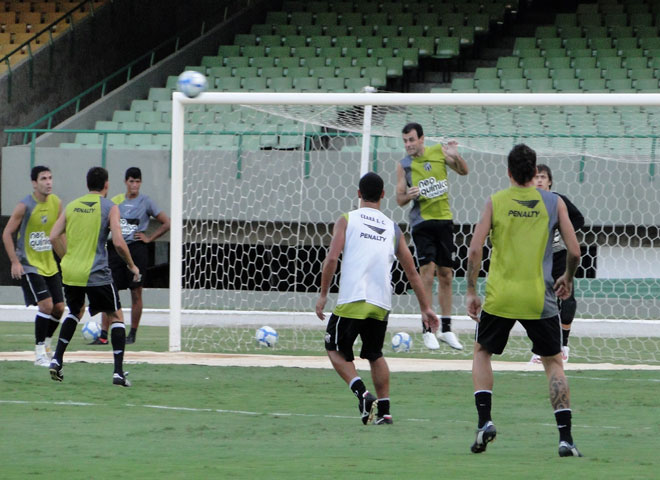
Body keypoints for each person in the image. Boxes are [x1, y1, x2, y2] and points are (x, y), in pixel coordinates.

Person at [465, 144, 583, 457]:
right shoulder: (554, 202)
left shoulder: (496, 201)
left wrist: (471, 290)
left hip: (500, 296)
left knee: (482, 351)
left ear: (508, 173)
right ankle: (565, 440)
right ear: (534, 174)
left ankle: (485, 421)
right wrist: (567, 278)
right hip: (538, 297)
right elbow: (574, 251)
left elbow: (475, 250)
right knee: (554, 363)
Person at [316, 172, 438, 425]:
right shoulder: (392, 227)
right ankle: (385, 412)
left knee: (333, 348)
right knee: (374, 353)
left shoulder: (347, 219)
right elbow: (412, 271)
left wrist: (323, 294)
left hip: (353, 299)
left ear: (359, 194)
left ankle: (362, 394)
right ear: (383, 195)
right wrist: (426, 308)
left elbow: (331, 258)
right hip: (382, 303)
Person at [48, 167, 140, 387]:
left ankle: (56, 359)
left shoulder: (72, 206)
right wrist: (132, 265)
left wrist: (67, 258)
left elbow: (53, 236)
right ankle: (118, 373)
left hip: (71, 271)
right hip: (96, 271)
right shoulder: (110, 207)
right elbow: (118, 242)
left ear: (87, 184)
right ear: (106, 185)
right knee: (116, 316)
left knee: (75, 311)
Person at [396, 122, 468, 351]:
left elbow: (464, 171)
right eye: (405, 141)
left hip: (444, 220)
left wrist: (456, 156)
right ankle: (428, 329)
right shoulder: (404, 165)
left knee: (446, 274)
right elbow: (399, 199)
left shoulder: (439, 152)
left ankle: (446, 329)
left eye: (411, 140)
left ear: (422, 139)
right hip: (422, 223)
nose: (408, 145)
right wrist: (408, 195)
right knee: (427, 272)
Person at [91, 167, 170, 345]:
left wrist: (149, 238)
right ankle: (104, 335)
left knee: (136, 292)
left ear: (140, 183)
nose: (134, 185)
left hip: (137, 250)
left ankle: (132, 333)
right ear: (126, 182)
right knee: (109, 290)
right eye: (131, 181)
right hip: (118, 250)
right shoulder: (117, 201)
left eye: (137, 181)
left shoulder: (146, 202)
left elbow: (166, 222)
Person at [2, 166, 64, 366]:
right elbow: (6, 233)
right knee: (45, 305)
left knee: (59, 308)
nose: (48, 182)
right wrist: (15, 261)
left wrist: (67, 258)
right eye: (44, 178)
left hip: (49, 263)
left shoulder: (57, 203)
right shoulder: (25, 205)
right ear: (34, 183)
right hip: (30, 264)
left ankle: (46, 345)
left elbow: (59, 234)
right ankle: (39, 354)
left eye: (50, 178)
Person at [529, 164, 584, 364]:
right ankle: (541, 349)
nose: (540, 180)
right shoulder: (528, 202)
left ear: (550, 181)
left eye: (543, 176)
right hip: (537, 258)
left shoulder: (559, 200)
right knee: (539, 303)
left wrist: (562, 230)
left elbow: (579, 218)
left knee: (567, 300)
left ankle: (564, 346)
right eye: (536, 177)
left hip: (559, 255)